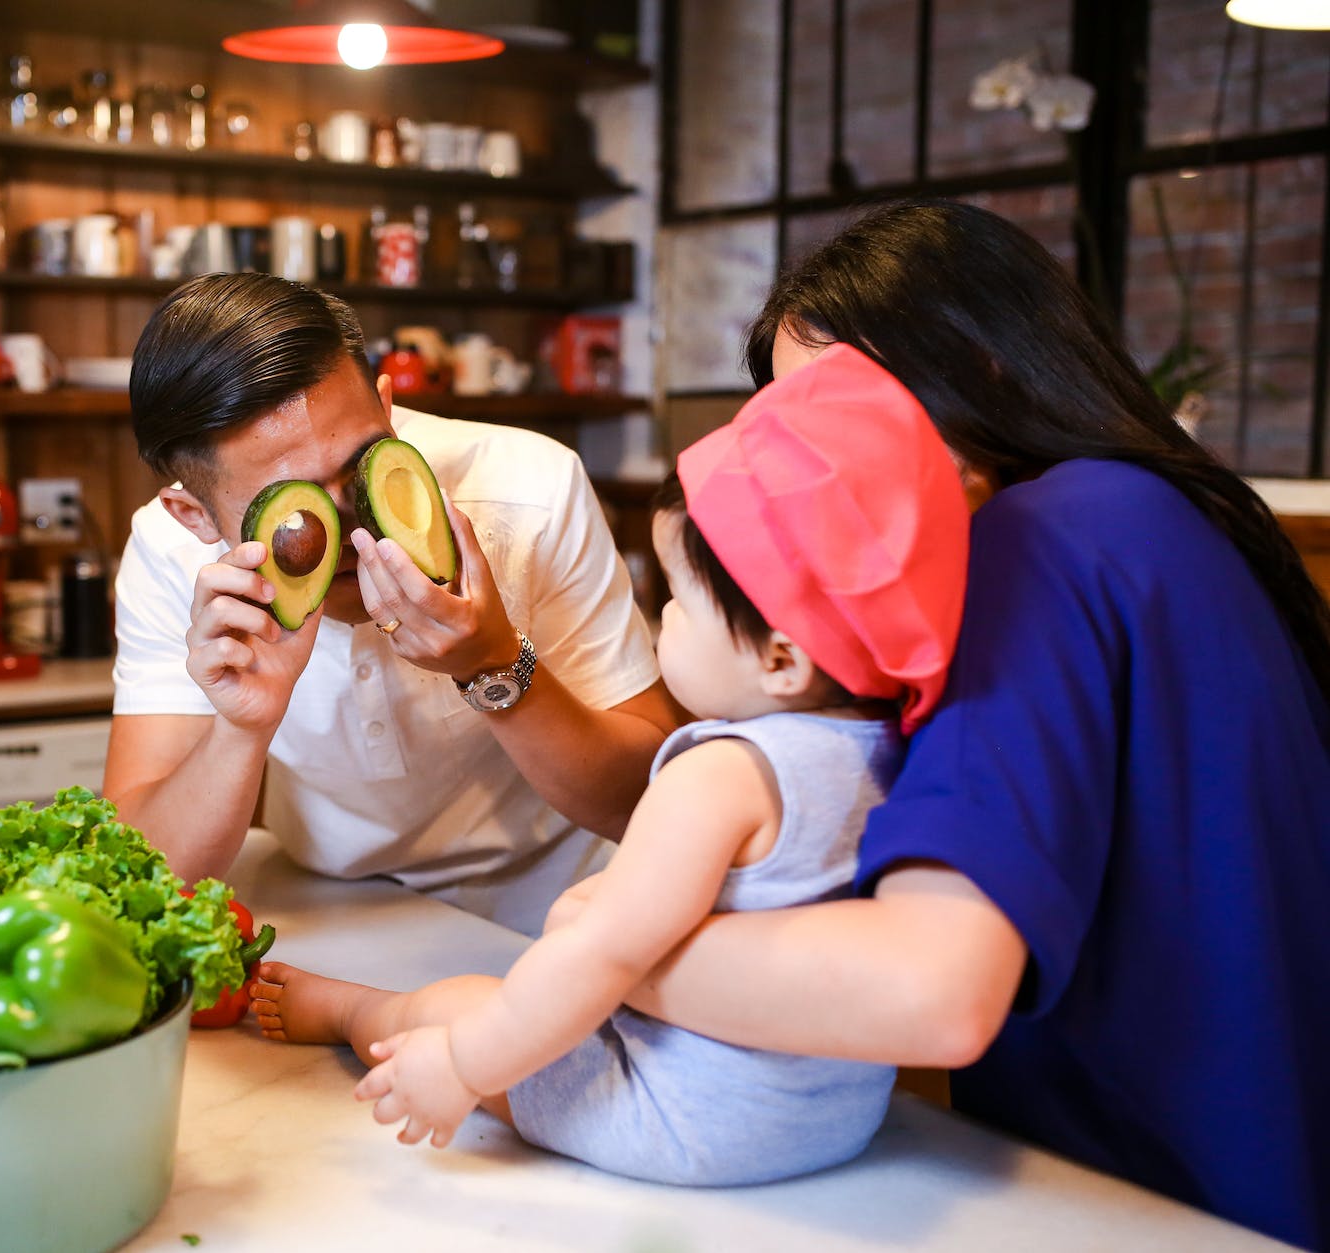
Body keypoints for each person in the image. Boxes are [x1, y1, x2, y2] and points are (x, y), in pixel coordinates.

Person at [605, 201, 1329, 1248]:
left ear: (983, 372)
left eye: (832, 411)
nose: (802, 470)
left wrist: (600, 944)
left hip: (1159, 1201)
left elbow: (926, 987)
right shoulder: (1163, 512)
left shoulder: (1031, 548)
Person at [252, 344, 972, 1184]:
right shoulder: (885, 748)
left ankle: (349, 1008)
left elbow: (599, 958)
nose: (661, 619)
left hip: (679, 1119)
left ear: (782, 657)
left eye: (679, 599)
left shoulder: (719, 774)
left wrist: (462, 1069)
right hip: (831, 1121)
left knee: (464, 1002)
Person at [102, 273, 684, 934]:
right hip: (335, 909)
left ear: (385, 404)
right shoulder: (166, 550)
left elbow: (646, 797)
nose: (355, 530)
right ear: (193, 513)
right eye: (292, 508)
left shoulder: (533, 488)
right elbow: (143, 873)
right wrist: (242, 728)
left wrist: (491, 661)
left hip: (563, 904)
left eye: (362, 465)